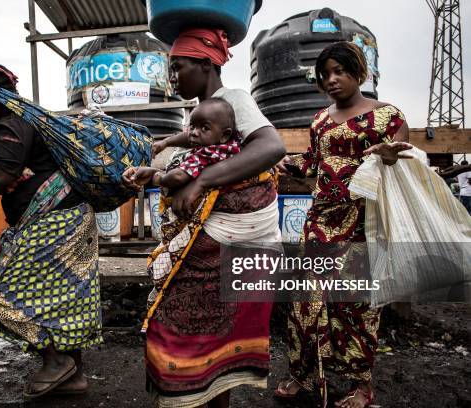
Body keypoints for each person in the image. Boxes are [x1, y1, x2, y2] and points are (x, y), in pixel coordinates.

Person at [136, 28, 286, 408]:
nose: (172, 77)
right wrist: (164, 152)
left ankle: (196, 395)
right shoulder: (210, 107)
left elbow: (271, 145)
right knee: (212, 335)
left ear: (206, 64)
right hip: (214, 241)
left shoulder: (233, 97)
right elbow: (204, 137)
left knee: (194, 327)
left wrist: (200, 181)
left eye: (178, 66)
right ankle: (202, 395)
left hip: (230, 238)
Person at [275, 41, 412, 408]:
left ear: (359, 72)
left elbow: (409, 165)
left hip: (364, 224)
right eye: (325, 75)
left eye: (340, 71)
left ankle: (360, 384)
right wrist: (286, 164)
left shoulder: (388, 117)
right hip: (320, 222)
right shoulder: (320, 120)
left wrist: (390, 158)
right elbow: (314, 162)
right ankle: (301, 373)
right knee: (305, 300)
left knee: (355, 304)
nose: (331, 80)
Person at [0, 64, 101, 398]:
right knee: (68, 301)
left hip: (53, 222)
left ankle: (56, 362)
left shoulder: (14, 121)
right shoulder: (21, 121)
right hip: (72, 216)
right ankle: (73, 375)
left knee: (6, 296)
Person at [123, 98, 240, 191]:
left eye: (205, 128)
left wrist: (156, 177)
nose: (194, 132)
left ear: (225, 135)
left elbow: (178, 177)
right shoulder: (233, 147)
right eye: (193, 127)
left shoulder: (208, 153)